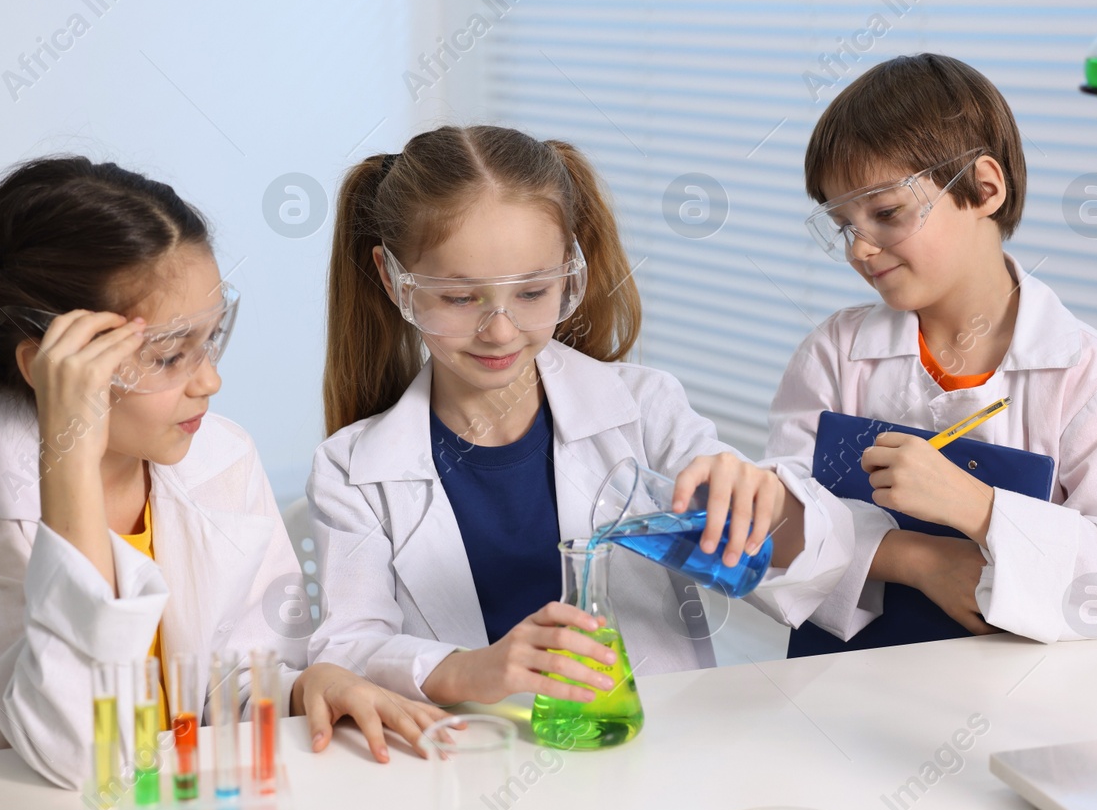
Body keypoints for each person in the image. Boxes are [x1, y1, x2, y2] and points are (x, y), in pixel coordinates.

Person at [0, 156, 446, 788]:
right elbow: (78, 752)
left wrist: (301, 686)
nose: (209, 380)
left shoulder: (221, 457)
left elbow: (225, 678)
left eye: (210, 340)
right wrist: (68, 457)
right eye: (170, 356)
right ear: (50, 366)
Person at [307, 125, 855, 706]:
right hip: (467, 769)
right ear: (395, 281)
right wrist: (473, 671)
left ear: (569, 269)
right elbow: (347, 649)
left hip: (649, 758)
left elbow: (811, 567)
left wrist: (768, 505)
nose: (500, 330)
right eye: (460, 297)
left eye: (532, 292)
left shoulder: (644, 412)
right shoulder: (350, 469)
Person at [769, 53, 1097, 654]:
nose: (859, 250)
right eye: (844, 225)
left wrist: (980, 507)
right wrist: (919, 559)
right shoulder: (835, 355)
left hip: (1023, 706)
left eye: (886, 213)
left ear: (985, 188)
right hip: (844, 691)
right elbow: (777, 526)